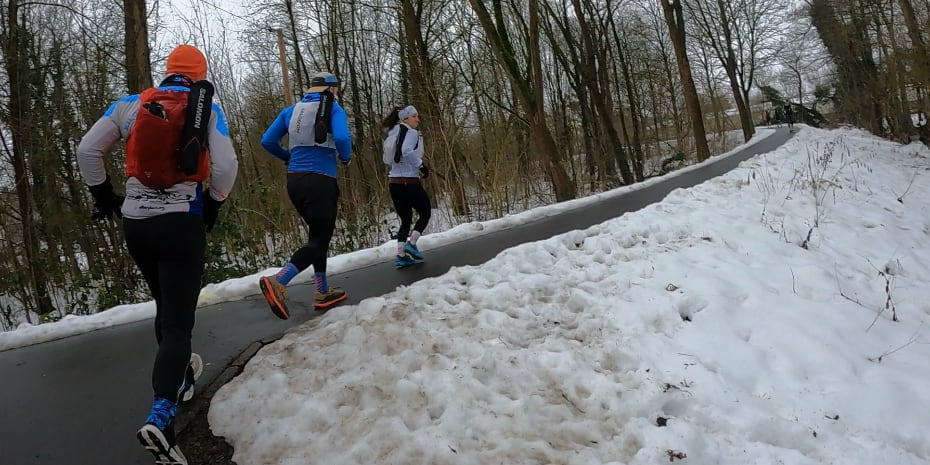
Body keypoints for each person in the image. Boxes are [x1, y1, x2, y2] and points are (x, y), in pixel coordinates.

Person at [76, 44, 239, 465]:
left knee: (165, 306)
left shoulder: (130, 105)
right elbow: (226, 167)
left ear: (167, 71)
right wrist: (213, 204)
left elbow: (87, 150)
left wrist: (105, 197)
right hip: (181, 222)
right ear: (200, 75)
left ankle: (180, 380)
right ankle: (160, 420)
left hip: (137, 225)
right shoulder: (205, 109)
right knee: (179, 324)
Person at [259, 71, 352, 317]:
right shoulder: (334, 109)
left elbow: (267, 141)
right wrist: (345, 157)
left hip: (295, 181)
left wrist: (288, 157)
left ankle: (322, 290)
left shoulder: (291, 111)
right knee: (321, 238)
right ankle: (279, 281)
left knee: (317, 236)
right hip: (321, 180)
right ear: (331, 89)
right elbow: (342, 137)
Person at [382, 105, 431, 268]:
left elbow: (387, 159)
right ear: (405, 119)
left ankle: (401, 255)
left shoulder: (392, 134)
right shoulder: (411, 133)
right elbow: (406, 151)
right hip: (409, 182)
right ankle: (412, 243)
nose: (417, 120)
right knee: (425, 212)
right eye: (414, 116)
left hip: (394, 183)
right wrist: (421, 165)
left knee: (406, 219)